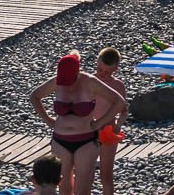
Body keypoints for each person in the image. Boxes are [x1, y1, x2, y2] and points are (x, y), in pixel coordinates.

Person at [29, 51, 127, 195]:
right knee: (64, 189)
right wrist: (49, 120)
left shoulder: (89, 81)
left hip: (86, 140)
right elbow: (34, 96)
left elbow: (119, 103)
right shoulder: (59, 80)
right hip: (60, 139)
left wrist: (99, 123)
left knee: (82, 191)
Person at [93, 48, 128, 195]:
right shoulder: (89, 80)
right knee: (82, 170)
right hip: (88, 129)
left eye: (108, 72)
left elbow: (124, 110)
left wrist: (118, 125)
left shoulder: (117, 85)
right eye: (100, 69)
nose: (102, 74)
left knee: (106, 175)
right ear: (97, 62)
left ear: (115, 69)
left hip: (108, 131)